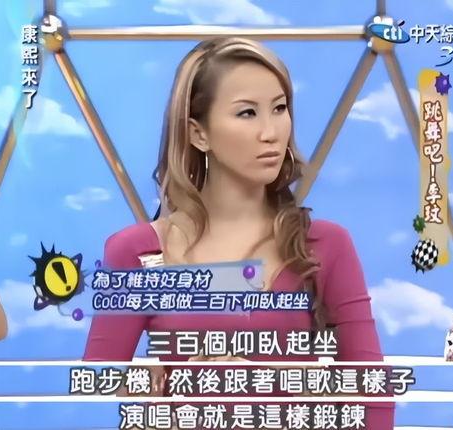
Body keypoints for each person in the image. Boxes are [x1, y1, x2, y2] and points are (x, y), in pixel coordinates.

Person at [84, 36, 395, 427]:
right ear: (198, 133)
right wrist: (153, 384)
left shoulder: (324, 245)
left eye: (279, 108)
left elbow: (373, 394)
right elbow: (96, 383)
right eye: (247, 113)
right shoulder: (136, 251)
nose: (271, 132)